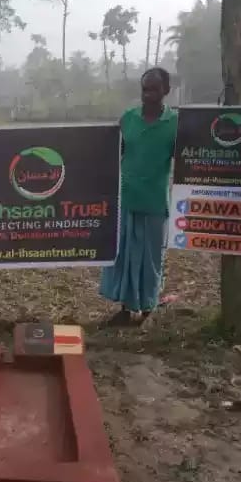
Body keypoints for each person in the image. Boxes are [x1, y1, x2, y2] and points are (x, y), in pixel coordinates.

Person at [99, 67, 177, 326]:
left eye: (154, 89)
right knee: (124, 256)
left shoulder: (175, 123)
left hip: (155, 201)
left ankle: (147, 309)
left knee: (150, 259)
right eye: (145, 89)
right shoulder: (128, 120)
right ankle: (124, 309)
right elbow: (111, 154)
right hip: (127, 199)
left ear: (166, 90)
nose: (148, 94)